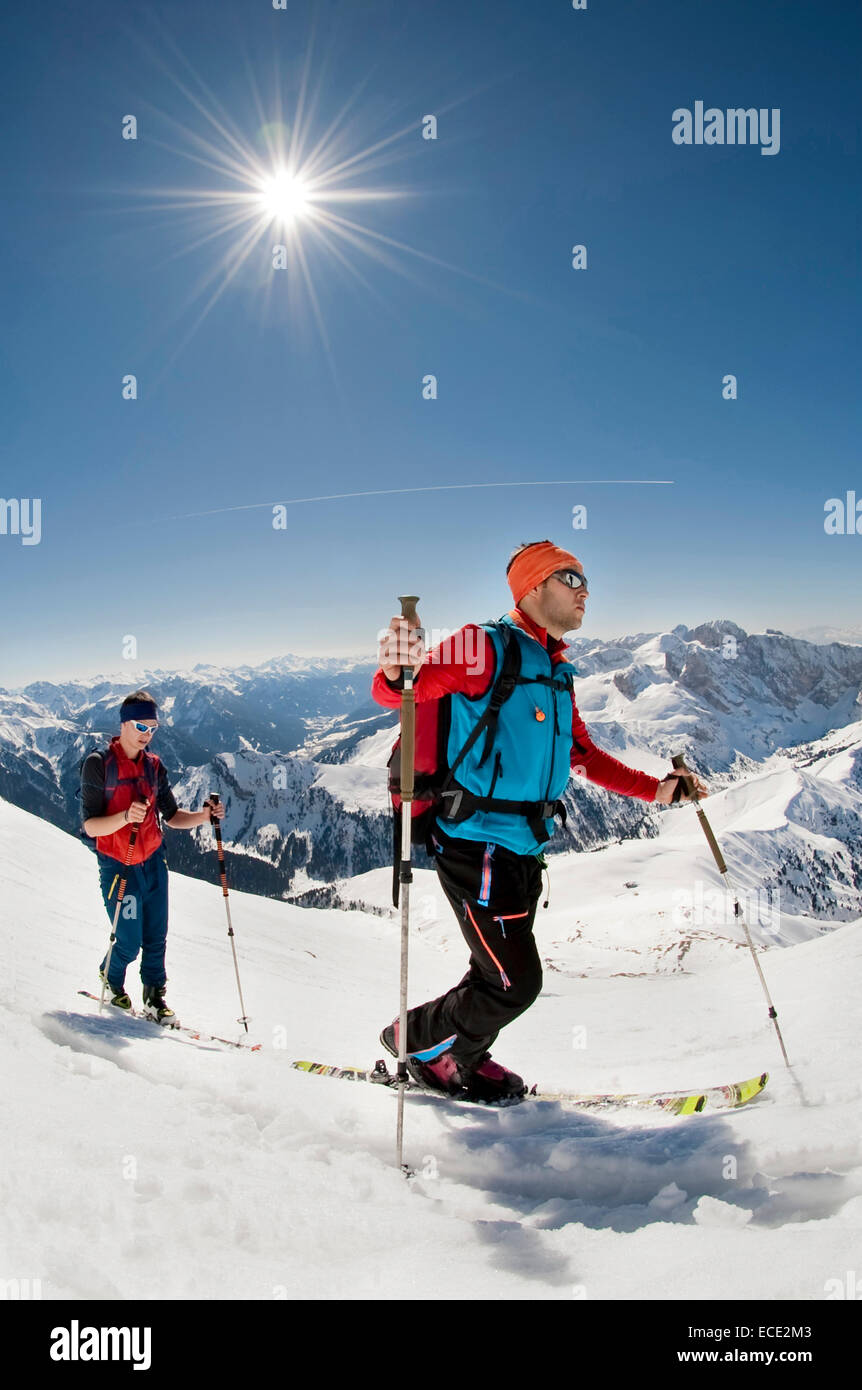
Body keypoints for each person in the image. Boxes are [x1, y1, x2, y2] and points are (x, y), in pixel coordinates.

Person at [371, 539, 708, 1101]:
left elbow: (584, 754)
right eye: (570, 578)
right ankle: (414, 1040)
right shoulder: (484, 645)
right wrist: (393, 669)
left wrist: (657, 790)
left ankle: (459, 1060)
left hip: (524, 848)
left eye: (585, 579)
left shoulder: (556, 668)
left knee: (495, 973)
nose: (585, 590)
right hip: (477, 846)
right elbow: (406, 690)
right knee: (515, 983)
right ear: (533, 588)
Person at [80, 689, 225, 1022]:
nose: (147, 735)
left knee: (156, 936)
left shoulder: (154, 767)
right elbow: (90, 827)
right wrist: (124, 818)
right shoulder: (98, 764)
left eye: (153, 728)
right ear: (124, 723)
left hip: (154, 861)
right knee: (128, 941)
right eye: (141, 727)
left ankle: (153, 995)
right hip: (119, 865)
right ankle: (111, 979)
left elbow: (172, 816)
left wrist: (205, 816)